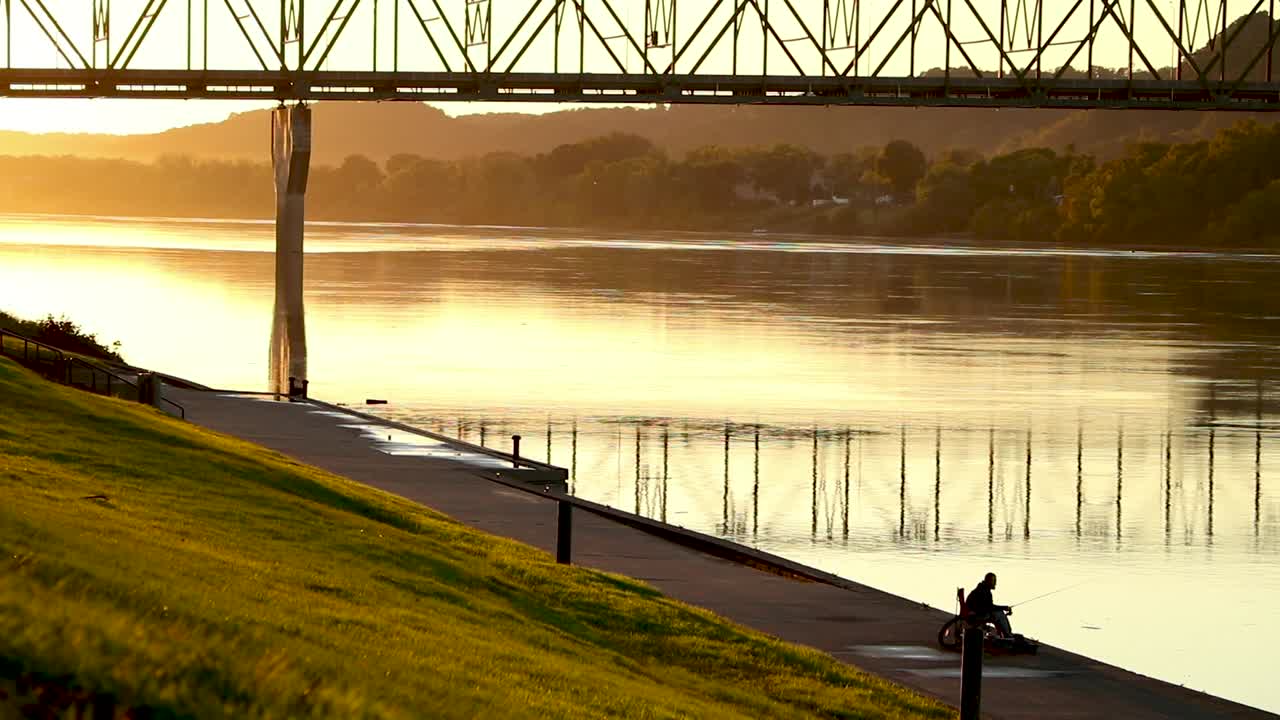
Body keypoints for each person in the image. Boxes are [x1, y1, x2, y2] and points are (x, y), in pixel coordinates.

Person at [966, 572, 1013, 637]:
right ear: (988, 581)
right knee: (999, 614)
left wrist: (1003, 608)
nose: (995, 584)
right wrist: (1004, 608)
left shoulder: (983, 589)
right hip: (975, 616)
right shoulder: (983, 591)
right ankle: (1008, 635)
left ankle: (1007, 634)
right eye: (994, 581)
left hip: (977, 613)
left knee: (998, 613)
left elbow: (988, 606)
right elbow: (990, 607)